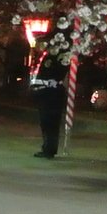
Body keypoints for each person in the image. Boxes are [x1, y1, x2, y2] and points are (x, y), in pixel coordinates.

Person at [29, 29, 70, 159]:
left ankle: (50, 148)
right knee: (45, 122)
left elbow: (59, 72)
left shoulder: (60, 55)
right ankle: (46, 146)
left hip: (52, 93)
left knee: (51, 122)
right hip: (44, 93)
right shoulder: (46, 55)